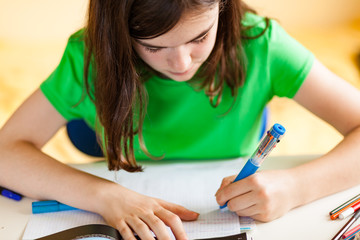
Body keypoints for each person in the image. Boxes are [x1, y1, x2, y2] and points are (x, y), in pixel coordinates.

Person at [1, 0, 360, 239]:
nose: (182, 64)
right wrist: (105, 196)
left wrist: (297, 187)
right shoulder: (89, 58)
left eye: (200, 37)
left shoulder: (263, 45)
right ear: (118, 34)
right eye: (154, 47)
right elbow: (6, 152)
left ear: (222, 8)